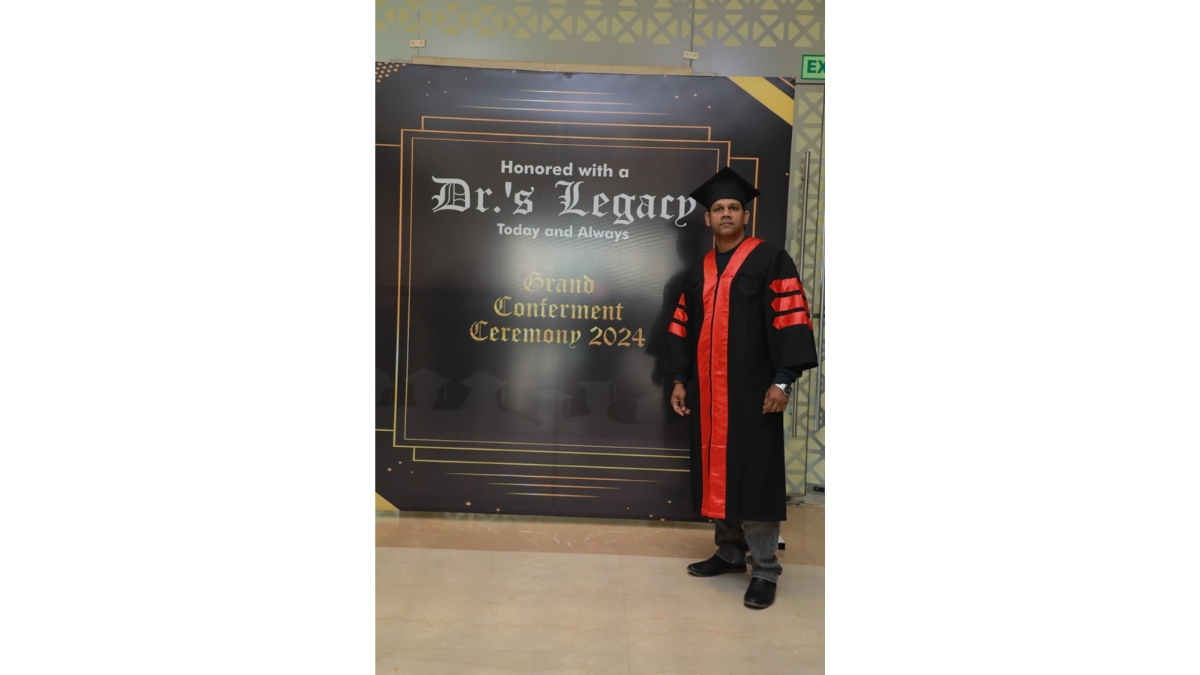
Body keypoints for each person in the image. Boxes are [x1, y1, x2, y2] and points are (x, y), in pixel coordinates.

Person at [665, 166, 818, 609]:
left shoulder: (771, 259)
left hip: (754, 392)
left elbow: (791, 320)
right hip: (708, 393)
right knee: (718, 469)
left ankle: (766, 569)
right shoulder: (698, 271)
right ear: (707, 219)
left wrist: (782, 381)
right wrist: (679, 380)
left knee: (755, 476)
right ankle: (730, 552)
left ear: (745, 216)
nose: (727, 214)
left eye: (734, 207)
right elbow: (683, 328)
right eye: (719, 209)